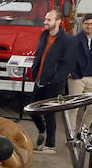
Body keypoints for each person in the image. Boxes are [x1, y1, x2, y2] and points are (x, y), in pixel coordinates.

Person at [29, 9, 75, 153]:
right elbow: (39, 56)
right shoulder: (43, 35)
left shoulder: (66, 40)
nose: (45, 22)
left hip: (53, 83)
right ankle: (42, 130)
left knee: (49, 113)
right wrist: (34, 73)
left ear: (58, 21)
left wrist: (55, 80)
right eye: (45, 19)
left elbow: (67, 64)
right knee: (31, 109)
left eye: (49, 20)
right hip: (40, 80)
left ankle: (50, 145)